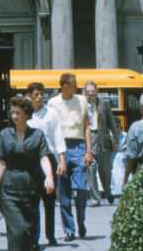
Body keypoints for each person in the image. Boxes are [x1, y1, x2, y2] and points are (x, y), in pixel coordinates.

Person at [0, 95, 54, 251]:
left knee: (29, 233)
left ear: (26, 114)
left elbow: (43, 157)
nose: (14, 116)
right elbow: (1, 163)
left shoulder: (37, 135)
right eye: (12, 113)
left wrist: (49, 177)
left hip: (31, 189)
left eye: (17, 113)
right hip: (9, 191)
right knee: (17, 231)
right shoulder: (5, 135)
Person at [47, 73, 92, 241]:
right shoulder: (53, 103)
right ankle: (69, 229)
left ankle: (81, 220)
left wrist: (89, 151)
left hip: (78, 145)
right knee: (64, 191)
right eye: (73, 84)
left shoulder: (82, 101)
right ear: (65, 86)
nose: (76, 87)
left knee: (81, 188)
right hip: (61, 147)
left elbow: (86, 126)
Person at [26, 81, 65, 247]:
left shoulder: (51, 113)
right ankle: (34, 237)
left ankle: (50, 235)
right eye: (36, 95)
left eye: (41, 94)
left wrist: (62, 159)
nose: (39, 97)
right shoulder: (26, 114)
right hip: (31, 159)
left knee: (49, 200)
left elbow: (58, 136)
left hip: (49, 157)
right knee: (33, 201)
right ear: (29, 96)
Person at [84, 81, 119, 205]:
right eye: (88, 93)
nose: (90, 95)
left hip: (103, 139)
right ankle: (95, 198)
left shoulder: (104, 105)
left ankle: (108, 191)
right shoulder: (81, 106)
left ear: (96, 92)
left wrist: (115, 139)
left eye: (92, 93)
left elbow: (112, 124)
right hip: (89, 138)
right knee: (91, 168)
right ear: (84, 93)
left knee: (105, 171)